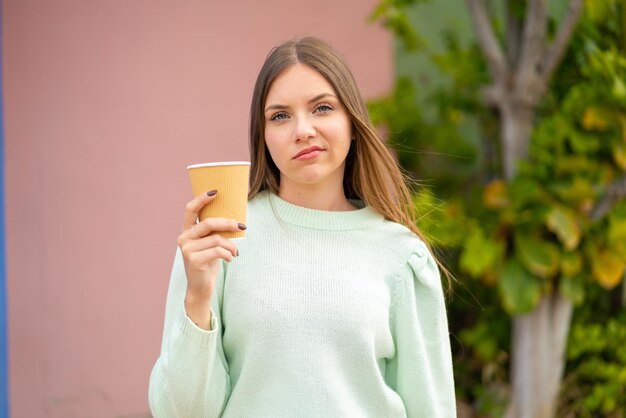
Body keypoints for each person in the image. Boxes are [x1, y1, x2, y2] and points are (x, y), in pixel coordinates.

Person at [148, 37, 456, 418]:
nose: (303, 130)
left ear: (353, 122)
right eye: (280, 116)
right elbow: (183, 413)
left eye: (322, 108)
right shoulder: (220, 238)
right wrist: (197, 297)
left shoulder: (401, 254)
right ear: (263, 136)